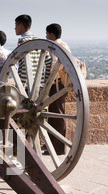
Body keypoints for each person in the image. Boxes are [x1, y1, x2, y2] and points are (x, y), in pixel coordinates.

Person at [45, 23, 70, 155]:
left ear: (52, 35)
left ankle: (58, 148)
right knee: (55, 113)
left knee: (57, 114)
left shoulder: (57, 47)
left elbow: (55, 68)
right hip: (61, 83)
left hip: (57, 83)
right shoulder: (64, 45)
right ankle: (53, 145)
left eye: (47, 34)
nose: (46, 36)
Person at [15, 14, 52, 88]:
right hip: (38, 83)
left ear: (21, 25)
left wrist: (22, 82)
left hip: (25, 84)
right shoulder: (40, 42)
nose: (14, 28)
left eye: (16, 25)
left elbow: (24, 64)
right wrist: (45, 79)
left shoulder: (22, 41)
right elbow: (48, 61)